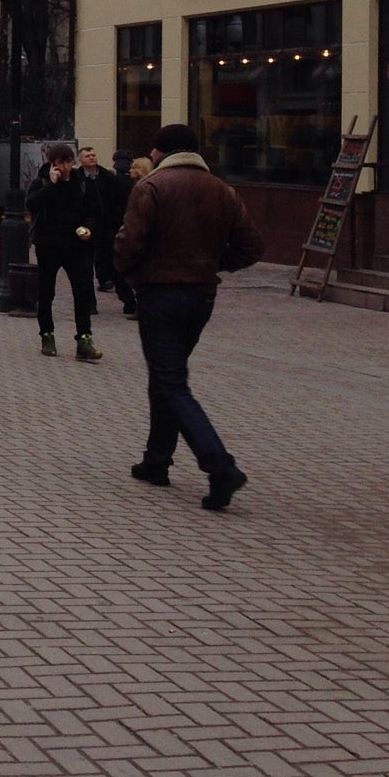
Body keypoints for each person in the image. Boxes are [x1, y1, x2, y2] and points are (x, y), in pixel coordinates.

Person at [114, 123, 265, 512]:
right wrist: (213, 264)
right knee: (168, 377)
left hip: (160, 294)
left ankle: (220, 467)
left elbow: (130, 242)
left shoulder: (151, 187)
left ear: (160, 152)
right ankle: (156, 461)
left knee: (171, 382)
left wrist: (129, 272)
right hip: (201, 296)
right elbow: (252, 247)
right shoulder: (222, 189)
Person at [25, 144, 103, 361]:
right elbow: (32, 205)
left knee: (82, 291)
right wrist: (51, 184)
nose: (66, 167)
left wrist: (89, 229)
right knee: (46, 292)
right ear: (53, 164)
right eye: (61, 163)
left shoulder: (82, 184)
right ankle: (47, 335)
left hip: (75, 246)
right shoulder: (41, 182)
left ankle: (84, 338)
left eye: (69, 162)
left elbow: (93, 212)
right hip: (48, 245)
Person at [79, 146, 125, 293]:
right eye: (87, 156)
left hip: (107, 224)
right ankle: (90, 304)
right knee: (86, 265)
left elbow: (118, 199)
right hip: (86, 226)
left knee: (111, 258)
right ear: (80, 160)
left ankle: (124, 296)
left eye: (93, 155)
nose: (92, 157)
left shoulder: (107, 177)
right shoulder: (77, 178)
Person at [116, 157, 153, 318]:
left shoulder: (144, 188)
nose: (129, 170)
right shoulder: (134, 186)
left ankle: (143, 306)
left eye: (133, 168)